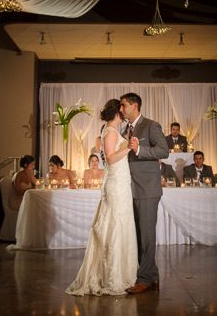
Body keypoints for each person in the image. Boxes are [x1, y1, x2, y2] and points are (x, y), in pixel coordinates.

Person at [67, 99, 136, 296]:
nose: (125, 111)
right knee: (115, 224)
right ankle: (111, 275)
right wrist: (129, 148)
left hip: (121, 181)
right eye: (122, 108)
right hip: (115, 182)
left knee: (121, 222)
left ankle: (122, 271)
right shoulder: (110, 131)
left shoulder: (114, 131)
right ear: (117, 112)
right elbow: (111, 158)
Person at [120, 92, 168, 294]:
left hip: (147, 188)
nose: (121, 109)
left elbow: (164, 151)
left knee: (146, 235)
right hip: (131, 187)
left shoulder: (151, 125)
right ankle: (153, 274)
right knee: (139, 233)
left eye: (123, 106)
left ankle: (145, 278)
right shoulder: (125, 129)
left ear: (134, 105)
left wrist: (140, 150)